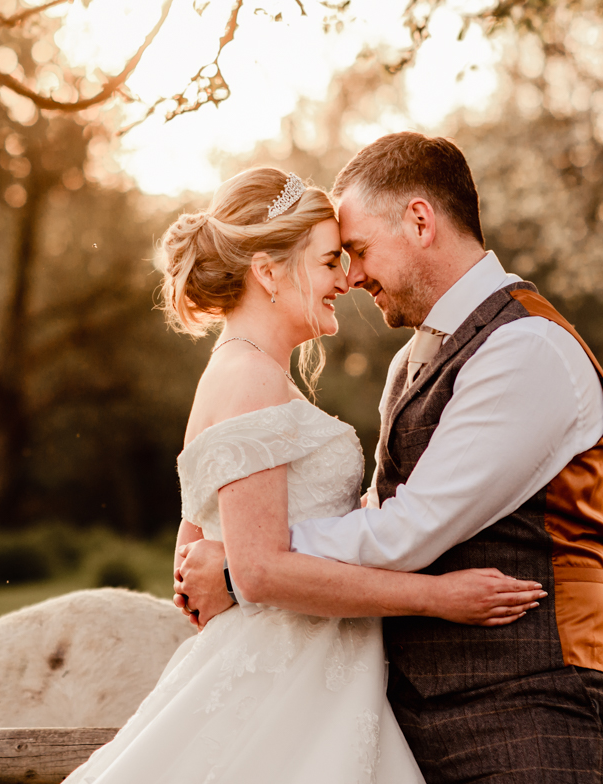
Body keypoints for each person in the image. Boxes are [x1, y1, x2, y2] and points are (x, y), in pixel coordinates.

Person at [60, 166, 546, 784]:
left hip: (319, 679)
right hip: (287, 682)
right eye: (328, 262)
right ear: (268, 271)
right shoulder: (251, 381)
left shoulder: (247, 374)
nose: (346, 279)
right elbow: (256, 571)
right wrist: (440, 598)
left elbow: (192, 554)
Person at [178, 134, 603, 783]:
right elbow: (376, 509)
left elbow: (408, 528)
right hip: (397, 715)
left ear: (419, 221)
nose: (351, 276)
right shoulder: (412, 361)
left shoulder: (525, 348)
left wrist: (248, 563)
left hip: (517, 711)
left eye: (356, 251)